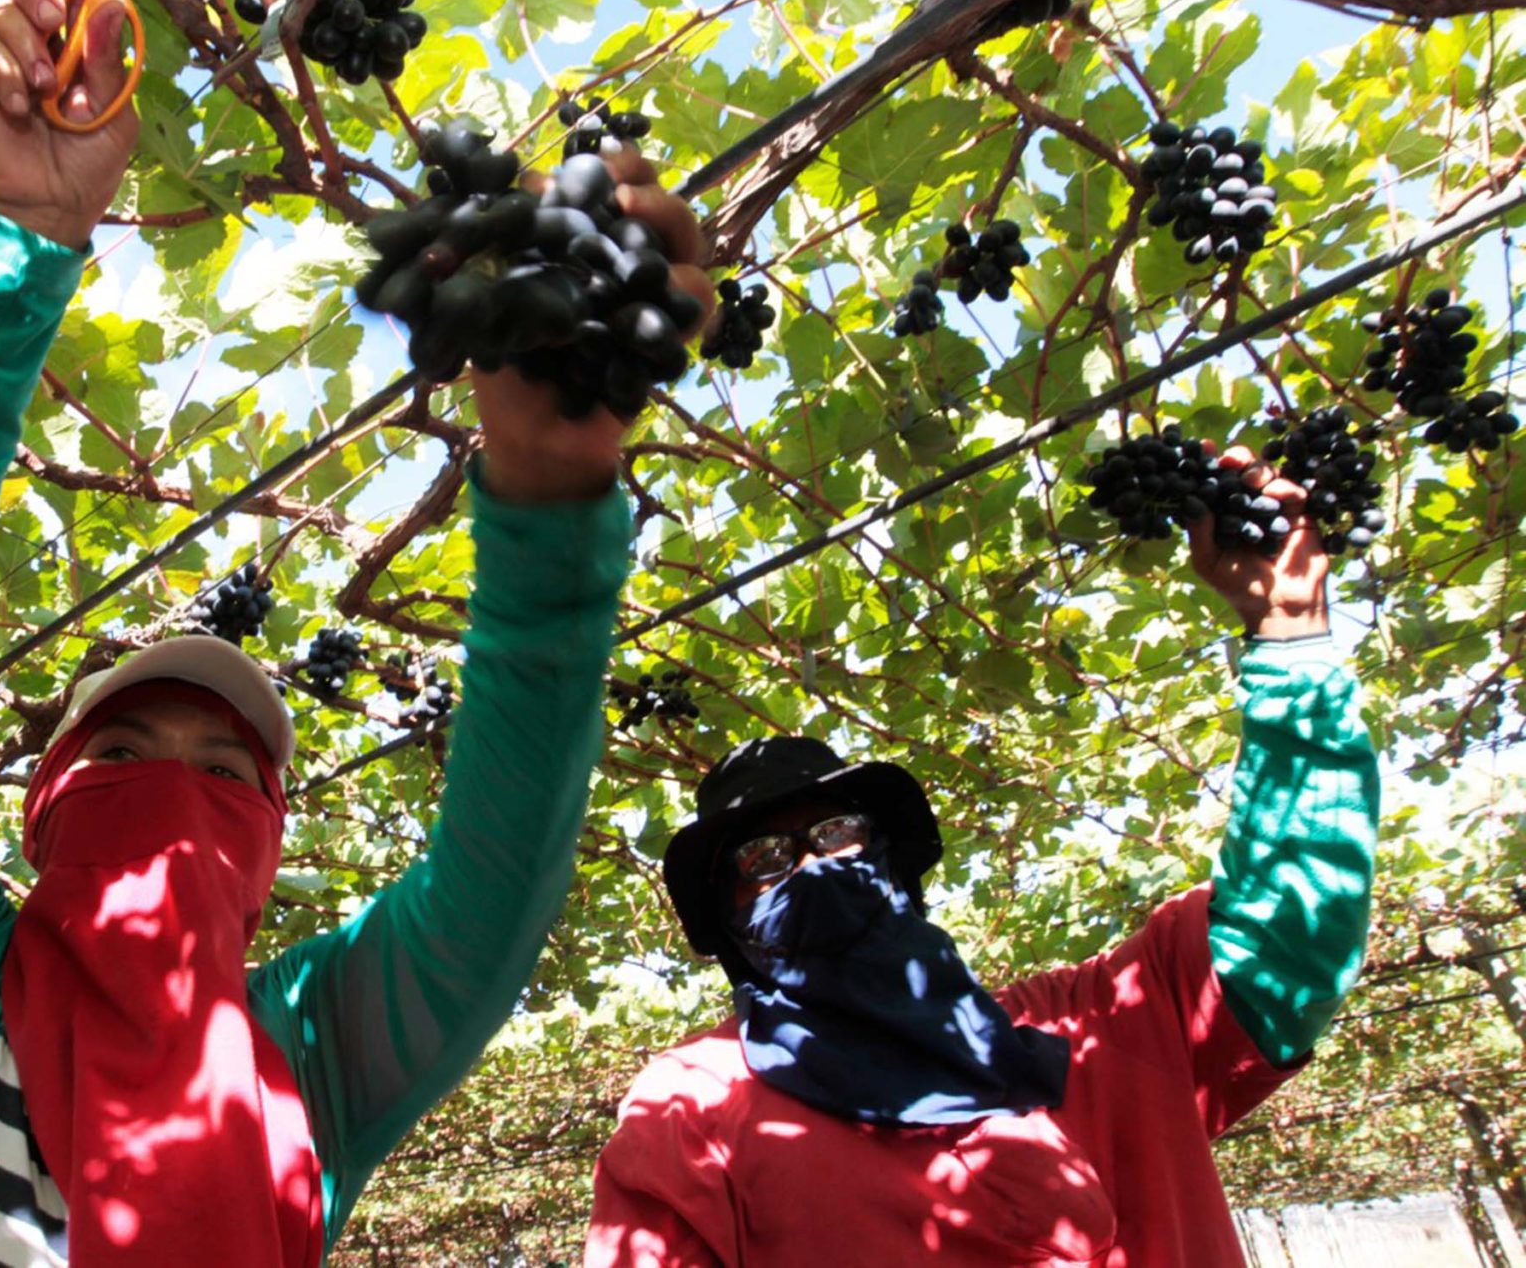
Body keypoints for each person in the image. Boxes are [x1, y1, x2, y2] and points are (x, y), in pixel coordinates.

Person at [0, 0, 714, 1264]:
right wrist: (27, 239)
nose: (172, 784)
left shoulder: (316, 1052)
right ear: (42, 800)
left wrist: (552, 516)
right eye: (127, 750)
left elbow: (493, 884)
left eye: (225, 772)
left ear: (268, 852)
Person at [586, 447, 1382, 1267]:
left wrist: (1290, 642)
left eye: (836, 835)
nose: (812, 865)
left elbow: (1292, 929)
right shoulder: (694, 1105)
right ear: (730, 919)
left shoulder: (1102, 1022)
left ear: (892, 860)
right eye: (762, 856)